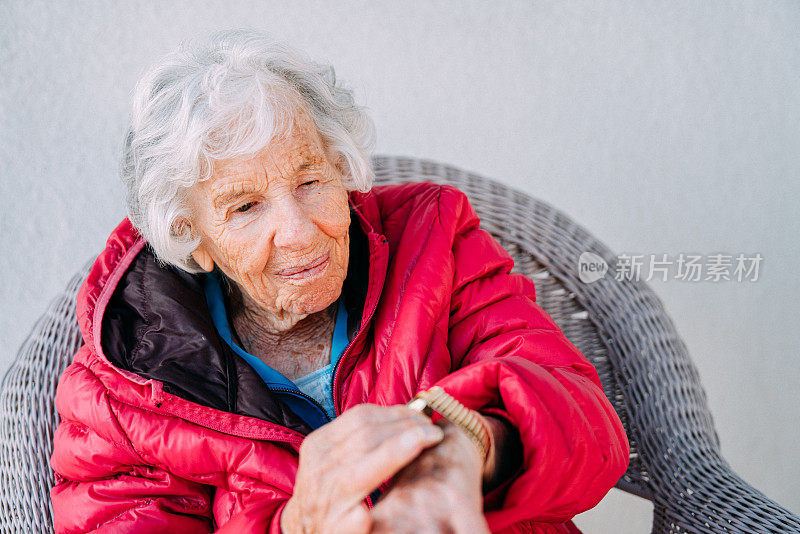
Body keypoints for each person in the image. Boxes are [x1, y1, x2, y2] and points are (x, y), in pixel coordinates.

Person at [50, 29, 629, 533]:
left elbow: (583, 419)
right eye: (246, 206)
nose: (300, 233)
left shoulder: (433, 242)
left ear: (342, 166)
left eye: (310, 182)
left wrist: (461, 447)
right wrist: (299, 523)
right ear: (189, 236)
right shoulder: (123, 394)